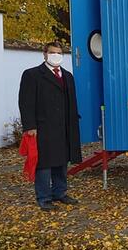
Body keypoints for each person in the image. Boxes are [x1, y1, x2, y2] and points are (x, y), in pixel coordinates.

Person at [18, 41, 82, 211]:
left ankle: (60, 192)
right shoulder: (32, 75)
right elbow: (25, 102)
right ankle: (44, 197)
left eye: (59, 53)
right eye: (52, 52)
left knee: (61, 160)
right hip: (43, 127)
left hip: (63, 126)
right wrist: (29, 126)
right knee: (44, 163)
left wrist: (73, 122)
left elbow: (72, 102)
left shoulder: (67, 76)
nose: (56, 56)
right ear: (45, 54)